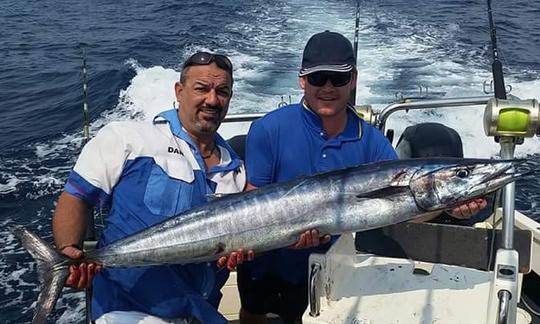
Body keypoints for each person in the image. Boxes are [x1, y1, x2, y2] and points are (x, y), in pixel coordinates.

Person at [237, 31, 487, 324]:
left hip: (334, 268)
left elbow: (399, 211)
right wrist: (285, 237)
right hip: (268, 263)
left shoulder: (373, 143)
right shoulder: (268, 129)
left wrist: (447, 207)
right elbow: (251, 205)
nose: (328, 87)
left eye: (338, 78)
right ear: (302, 80)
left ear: (353, 79)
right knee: (254, 314)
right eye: (319, 79)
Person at [52, 51, 248, 324]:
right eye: (201, 89)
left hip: (202, 312)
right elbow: (77, 197)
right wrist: (68, 249)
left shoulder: (236, 169)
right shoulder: (129, 137)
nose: (212, 100)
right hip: (128, 308)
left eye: (222, 91)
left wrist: (238, 252)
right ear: (179, 91)